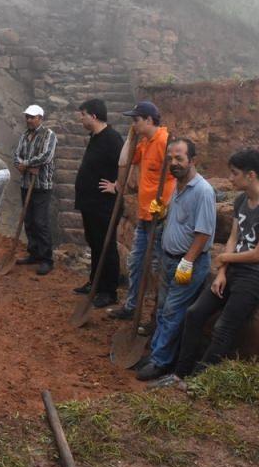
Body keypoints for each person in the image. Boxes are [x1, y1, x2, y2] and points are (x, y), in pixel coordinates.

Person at [152, 149, 259, 388]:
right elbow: (234, 237)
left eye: (235, 174)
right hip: (234, 269)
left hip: (257, 276)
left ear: (251, 175)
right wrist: (222, 272)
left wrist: (225, 258)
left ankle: (199, 380)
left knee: (223, 327)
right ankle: (180, 373)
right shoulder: (241, 200)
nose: (230, 179)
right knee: (194, 314)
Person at [135, 138, 216, 381]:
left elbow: (203, 233)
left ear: (192, 160)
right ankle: (158, 352)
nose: (174, 163)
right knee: (162, 309)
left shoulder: (202, 191)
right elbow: (180, 222)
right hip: (170, 260)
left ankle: (161, 362)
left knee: (172, 311)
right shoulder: (177, 187)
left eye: (179, 158)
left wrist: (188, 261)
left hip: (187, 263)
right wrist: (163, 212)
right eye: (170, 158)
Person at [106, 101, 175, 320]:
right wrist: (130, 137)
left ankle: (158, 314)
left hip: (162, 218)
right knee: (135, 263)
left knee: (157, 268)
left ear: (149, 119)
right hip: (145, 216)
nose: (133, 124)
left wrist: (167, 206)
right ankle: (131, 306)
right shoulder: (145, 142)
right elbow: (124, 160)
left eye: (136, 120)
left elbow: (181, 176)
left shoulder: (165, 141)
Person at [73, 98, 125, 307]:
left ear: (93, 116)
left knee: (106, 245)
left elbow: (126, 165)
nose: (81, 118)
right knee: (94, 242)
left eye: (83, 114)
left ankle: (108, 291)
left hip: (105, 204)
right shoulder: (96, 137)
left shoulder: (112, 138)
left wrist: (117, 185)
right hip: (91, 202)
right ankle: (95, 282)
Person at [12, 104, 57, 275]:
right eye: (27, 117)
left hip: (41, 185)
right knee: (28, 220)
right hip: (26, 183)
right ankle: (34, 253)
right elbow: (16, 155)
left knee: (40, 221)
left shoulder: (49, 135)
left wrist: (27, 164)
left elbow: (46, 156)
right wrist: (21, 165)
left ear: (40, 118)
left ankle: (47, 259)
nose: (29, 120)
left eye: (32, 117)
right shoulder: (24, 135)